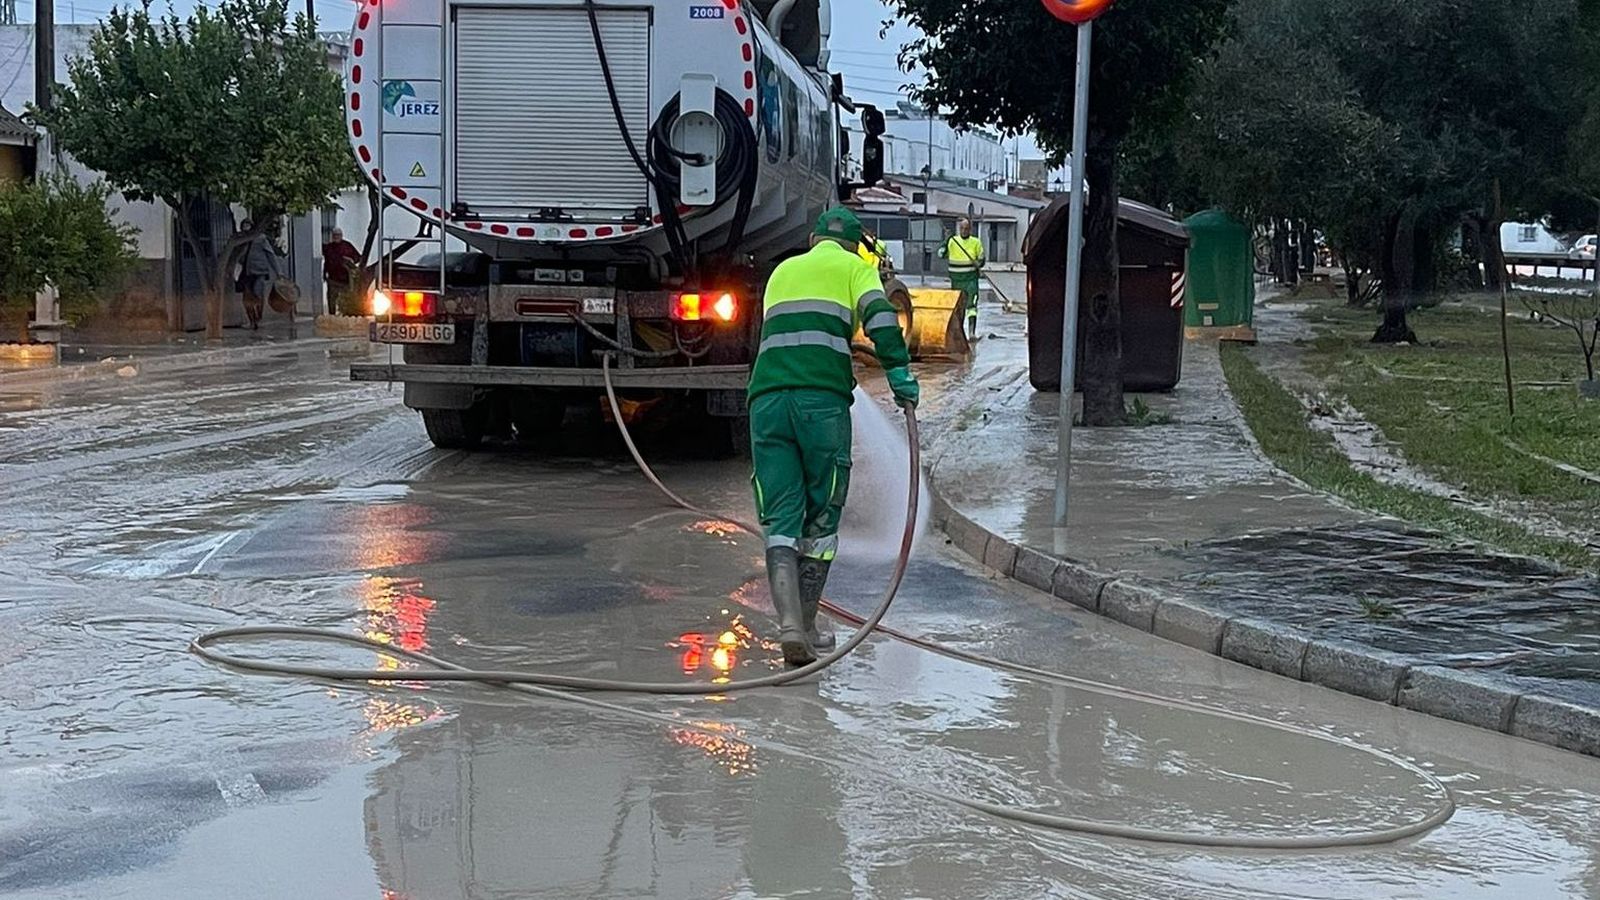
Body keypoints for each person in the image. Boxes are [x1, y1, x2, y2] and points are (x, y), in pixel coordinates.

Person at [748, 207, 919, 667]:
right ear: (853, 245)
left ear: (812, 238)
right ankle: (805, 625)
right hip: (819, 404)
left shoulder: (782, 271)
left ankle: (789, 627)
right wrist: (898, 371)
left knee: (781, 515)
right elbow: (882, 319)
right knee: (822, 517)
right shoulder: (855, 269)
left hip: (766, 403)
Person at [939, 217, 985, 339]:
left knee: (971, 306)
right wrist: (946, 240)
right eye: (962, 228)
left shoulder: (976, 242)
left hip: (971, 280)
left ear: (970, 230)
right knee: (958, 307)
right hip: (956, 280)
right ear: (959, 229)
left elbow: (982, 259)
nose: (964, 231)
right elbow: (941, 254)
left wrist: (978, 263)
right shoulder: (953, 241)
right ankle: (958, 333)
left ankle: (971, 333)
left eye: (966, 228)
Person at [238, 220, 283, 331]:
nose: (246, 227)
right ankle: (252, 321)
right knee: (246, 299)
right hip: (245, 273)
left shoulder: (261, 238)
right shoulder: (240, 239)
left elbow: (270, 255)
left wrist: (279, 272)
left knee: (258, 295)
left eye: (248, 225)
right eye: (244, 225)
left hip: (259, 272)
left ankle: (258, 318)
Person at [322, 227, 362, 316]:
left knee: (345, 300)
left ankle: (346, 316)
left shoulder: (347, 246)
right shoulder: (328, 248)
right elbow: (326, 262)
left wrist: (351, 260)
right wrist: (324, 274)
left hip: (345, 280)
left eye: (338, 235)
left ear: (341, 236)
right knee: (331, 299)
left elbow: (358, 258)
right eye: (334, 235)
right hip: (332, 279)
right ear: (332, 236)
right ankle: (332, 315)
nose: (336, 237)